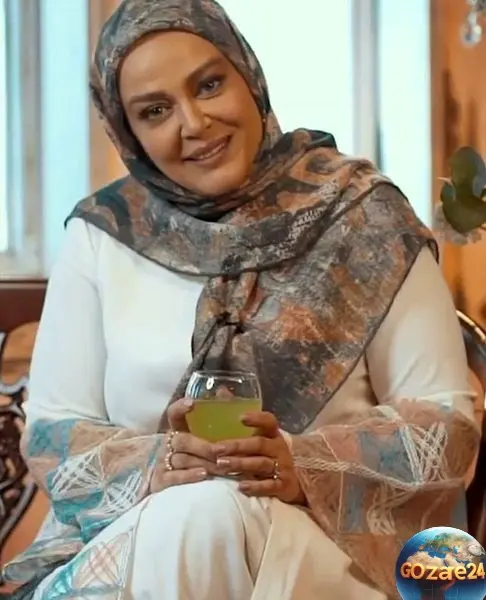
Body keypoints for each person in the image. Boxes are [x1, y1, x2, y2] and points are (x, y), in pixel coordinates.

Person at [4, 0, 480, 598]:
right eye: (155, 111)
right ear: (128, 133)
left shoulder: (366, 217)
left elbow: (446, 424)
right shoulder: (103, 233)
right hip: (140, 547)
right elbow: (53, 434)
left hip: (327, 555)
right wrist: (160, 466)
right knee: (202, 515)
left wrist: (303, 465)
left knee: (213, 514)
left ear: (247, 76)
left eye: (209, 85)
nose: (195, 123)